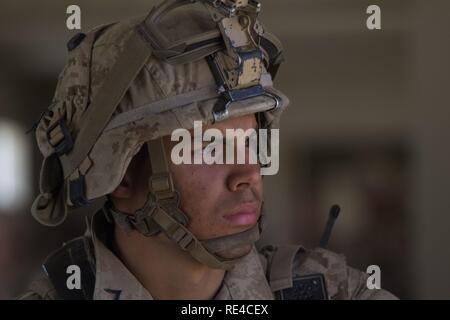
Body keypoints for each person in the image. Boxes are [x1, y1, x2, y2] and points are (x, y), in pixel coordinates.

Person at [19, 0, 396, 300]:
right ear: (121, 173)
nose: (247, 175)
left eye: (250, 143)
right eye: (209, 147)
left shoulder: (337, 291)